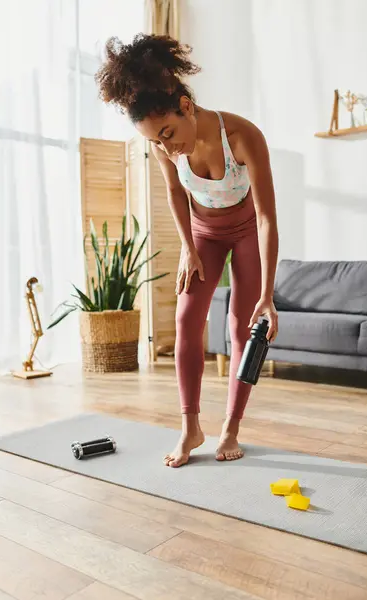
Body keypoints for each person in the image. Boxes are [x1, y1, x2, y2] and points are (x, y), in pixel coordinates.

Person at [96, 33, 279, 467]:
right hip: (204, 233)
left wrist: (268, 296)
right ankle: (190, 426)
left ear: (187, 107)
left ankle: (231, 427)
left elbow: (268, 217)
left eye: (168, 133)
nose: (165, 146)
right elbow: (176, 194)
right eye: (155, 141)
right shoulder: (163, 147)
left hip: (248, 230)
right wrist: (186, 248)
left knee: (241, 326)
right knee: (186, 317)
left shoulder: (242, 136)